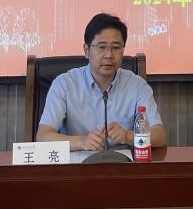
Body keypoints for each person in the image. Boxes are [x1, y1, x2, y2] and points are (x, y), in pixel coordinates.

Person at [37, 12, 167, 152]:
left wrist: (128, 136)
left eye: (116, 47)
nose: (109, 55)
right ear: (86, 50)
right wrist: (81, 142)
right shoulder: (65, 84)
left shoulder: (137, 85)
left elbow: (159, 137)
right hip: (78, 162)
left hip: (122, 163)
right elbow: (43, 136)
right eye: (101, 47)